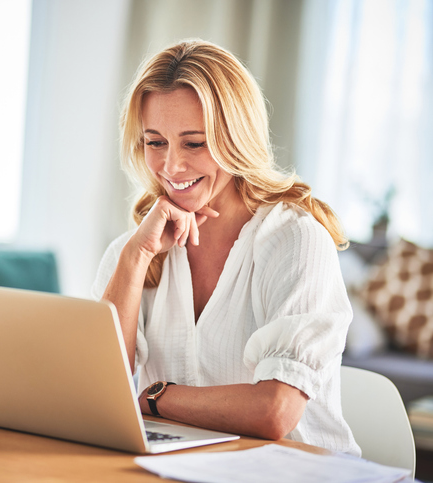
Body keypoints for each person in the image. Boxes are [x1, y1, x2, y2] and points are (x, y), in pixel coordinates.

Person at [91, 39, 361, 455]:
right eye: (155, 142)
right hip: (183, 468)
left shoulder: (294, 240)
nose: (171, 166)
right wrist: (134, 258)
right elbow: (95, 392)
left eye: (194, 143)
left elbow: (274, 411)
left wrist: (156, 398)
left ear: (236, 139)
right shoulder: (136, 249)